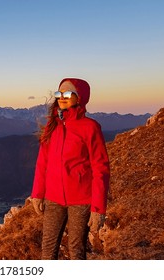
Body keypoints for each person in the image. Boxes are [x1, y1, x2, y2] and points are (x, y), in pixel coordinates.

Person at [30, 78, 110, 260]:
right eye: (59, 94)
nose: (62, 97)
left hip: (81, 199)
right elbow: (42, 163)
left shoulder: (90, 127)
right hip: (53, 197)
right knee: (48, 248)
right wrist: (37, 193)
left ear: (80, 97)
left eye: (67, 93)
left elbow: (101, 168)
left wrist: (98, 208)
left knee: (76, 249)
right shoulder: (52, 126)